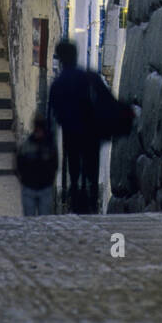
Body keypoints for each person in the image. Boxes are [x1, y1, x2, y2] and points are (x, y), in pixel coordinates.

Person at [47, 39, 102, 214]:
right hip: (90, 132)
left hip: (70, 133)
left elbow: (53, 113)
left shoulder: (58, 84)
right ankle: (92, 203)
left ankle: (76, 203)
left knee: (74, 169)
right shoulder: (88, 77)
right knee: (91, 169)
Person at [16, 114, 58, 216]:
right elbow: (19, 163)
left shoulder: (47, 146)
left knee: (42, 219)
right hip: (30, 186)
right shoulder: (29, 145)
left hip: (43, 187)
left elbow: (54, 164)